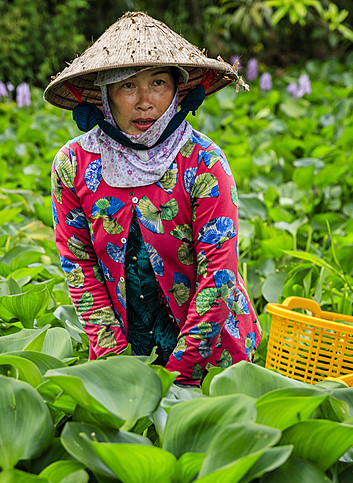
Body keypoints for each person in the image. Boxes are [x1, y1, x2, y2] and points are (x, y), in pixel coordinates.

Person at [45, 11, 261, 386]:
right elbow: (80, 270)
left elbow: (219, 277)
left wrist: (176, 376)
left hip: (213, 358)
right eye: (127, 86)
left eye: (158, 82)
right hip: (125, 357)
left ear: (177, 88)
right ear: (105, 93)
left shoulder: (204, 162)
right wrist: (119, 370)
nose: (145, 102)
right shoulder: (72, 165)